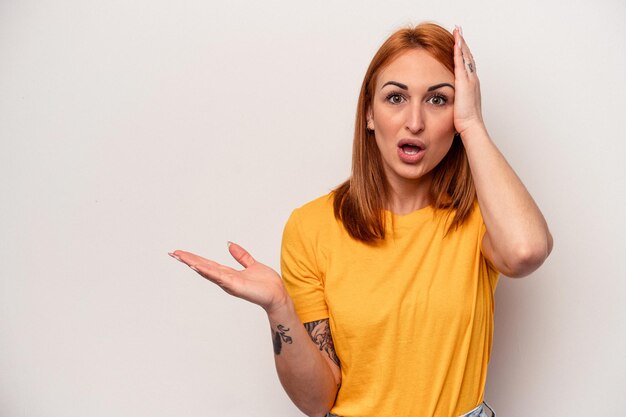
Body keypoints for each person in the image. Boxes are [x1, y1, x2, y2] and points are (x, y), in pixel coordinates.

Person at [169, 22, 553, 417]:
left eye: (438, 100)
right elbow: (317, 400)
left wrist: (472, 124)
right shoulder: (311, 227)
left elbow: (526, 251)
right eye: (395, 98)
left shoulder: (480, 217)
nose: (415, 121)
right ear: (369, 114)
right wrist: (280, 307)